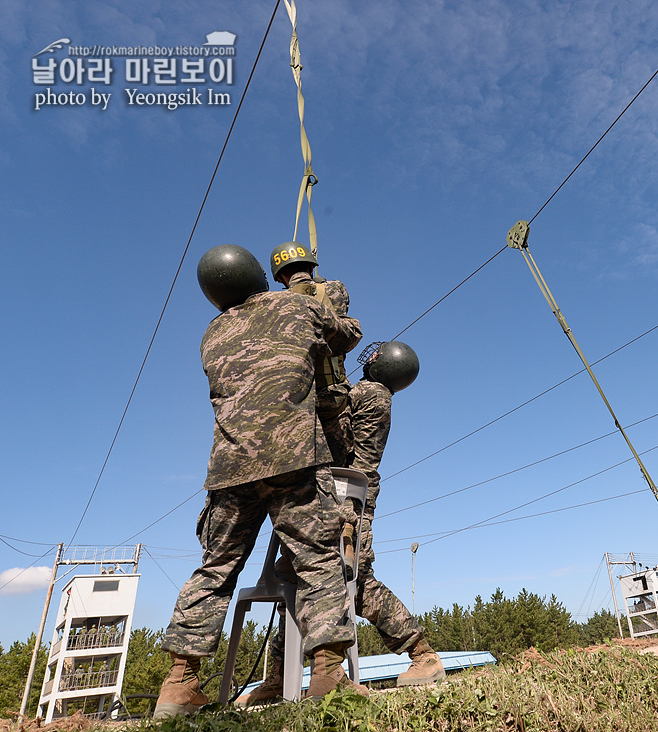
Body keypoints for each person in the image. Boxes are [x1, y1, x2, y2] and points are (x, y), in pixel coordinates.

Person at [154, 245, 359, 720]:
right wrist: (314, 293)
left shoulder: (211, 333)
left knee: (215, 570)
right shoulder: (296, 305)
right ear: (257, 276)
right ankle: (328, 677)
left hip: (229, 469)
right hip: (295, 457)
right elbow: (343, 337)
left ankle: (179, 685)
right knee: (317, 559)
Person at [241, 340, 442, 706]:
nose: (371, 356)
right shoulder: (368, 392)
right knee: (298, 581)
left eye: (379, 356)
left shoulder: (372, 393)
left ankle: (422, 654)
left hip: (346, 498)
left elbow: (350, 444)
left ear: (388, 367)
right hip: (330, 493)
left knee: (356, 581)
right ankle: (277, 679)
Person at [269, 242, 362, 464]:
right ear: (311, 268)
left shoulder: (274, 304)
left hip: (295, 401)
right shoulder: (335, 289)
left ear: (280, 276)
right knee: (338, 470)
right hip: (333, 395)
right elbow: (347, 330)